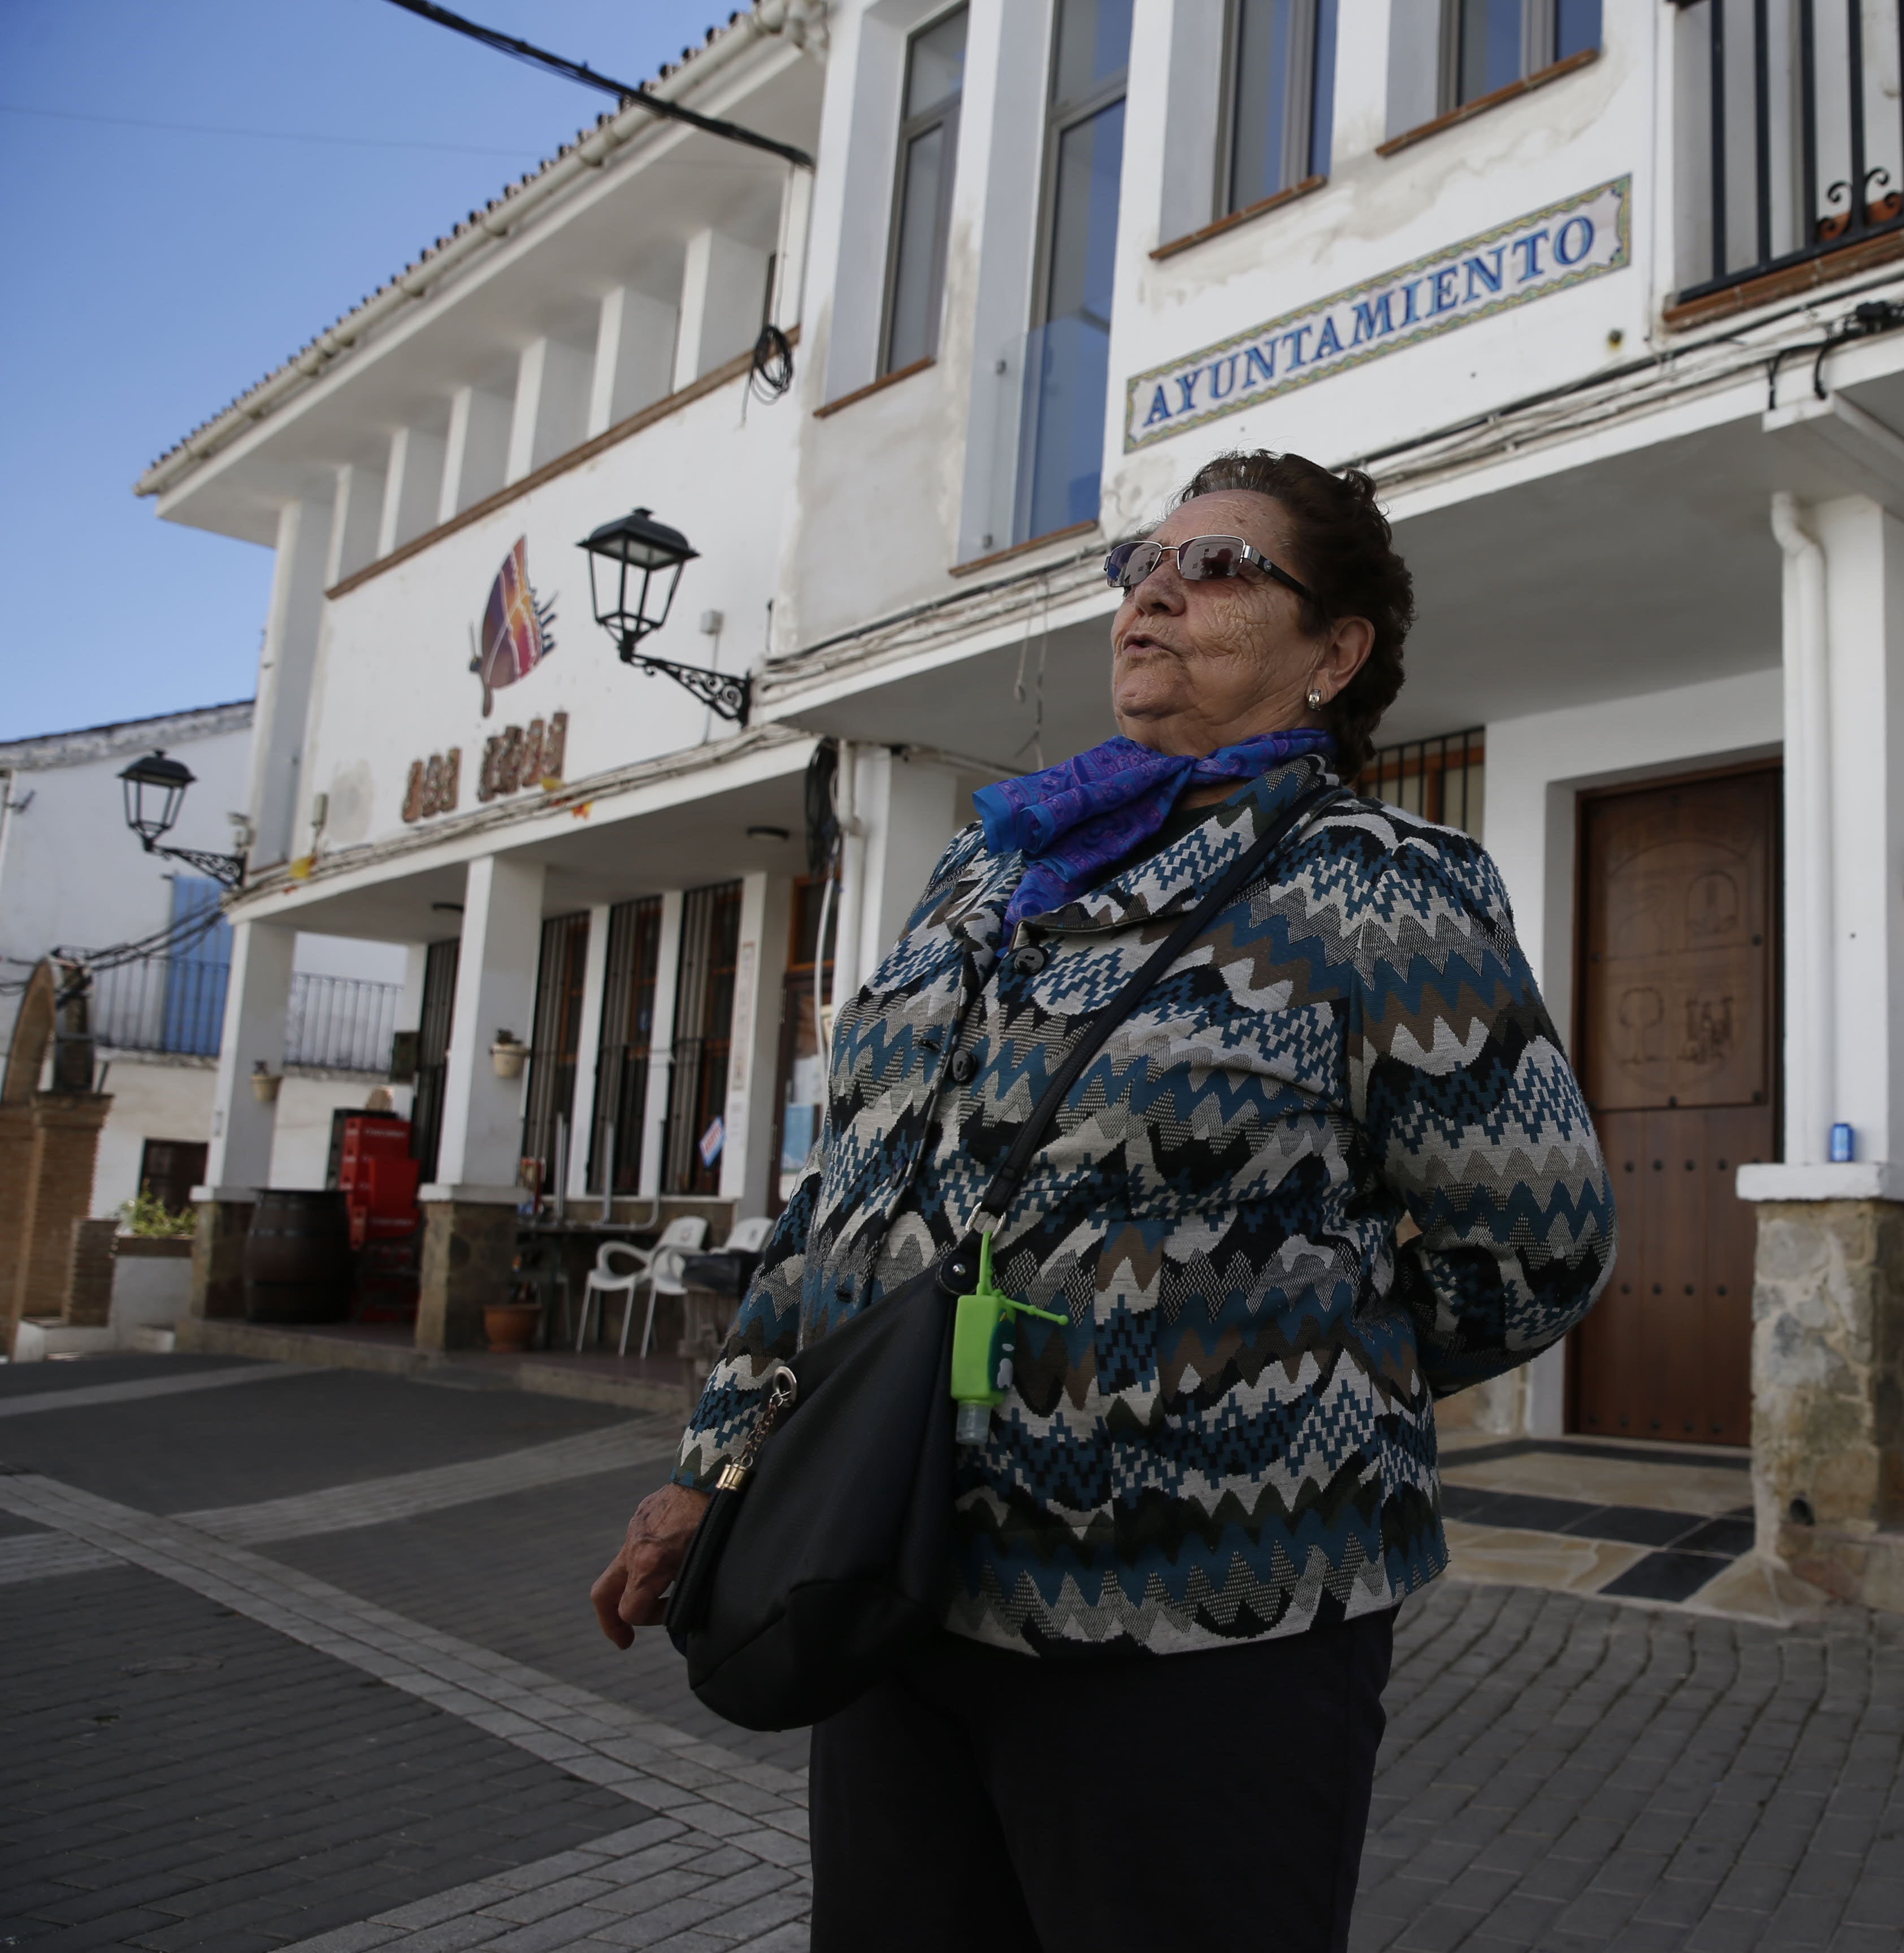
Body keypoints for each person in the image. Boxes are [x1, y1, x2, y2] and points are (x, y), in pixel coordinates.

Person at [587, 451, 1616, 1950]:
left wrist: (1260, 1373)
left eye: (1219, 568)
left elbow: (1534, 1245)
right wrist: (717, 1462)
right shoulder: (984, 871)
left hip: (1200, 1615)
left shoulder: (1377, 887)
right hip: (898, 1574)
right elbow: (844, 1202)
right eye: (1147, 557)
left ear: (1335, 654)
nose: (1155, 588)